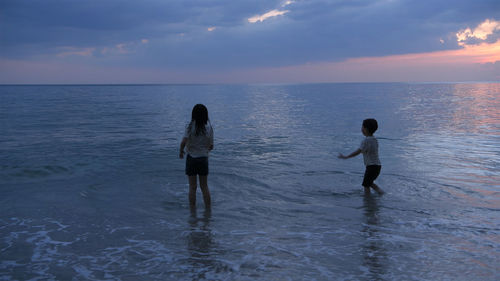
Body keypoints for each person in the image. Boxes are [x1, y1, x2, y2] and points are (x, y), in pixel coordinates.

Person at [180, 104, 214, 209]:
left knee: (192, 187)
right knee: (204, 186)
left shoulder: (190, 126)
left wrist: (181, 151)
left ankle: (192, 212)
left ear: (193, 114)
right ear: (205, 115)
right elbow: (211, 146)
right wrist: (204, 150)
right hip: (203, 159)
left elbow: (183, 142)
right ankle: (208, 211)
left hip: (191, 158)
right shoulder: (209, 127)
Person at [338, 119, 384, 195]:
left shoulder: (366, 141)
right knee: (369, 183)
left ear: (365, 129)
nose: (361, 129)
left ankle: (368, 200)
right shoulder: (374, 139)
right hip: (377, 166)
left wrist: (346, 157)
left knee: (366, 185)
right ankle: (381, 193)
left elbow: (358, 151)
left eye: (362, 127)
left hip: (371, 167)